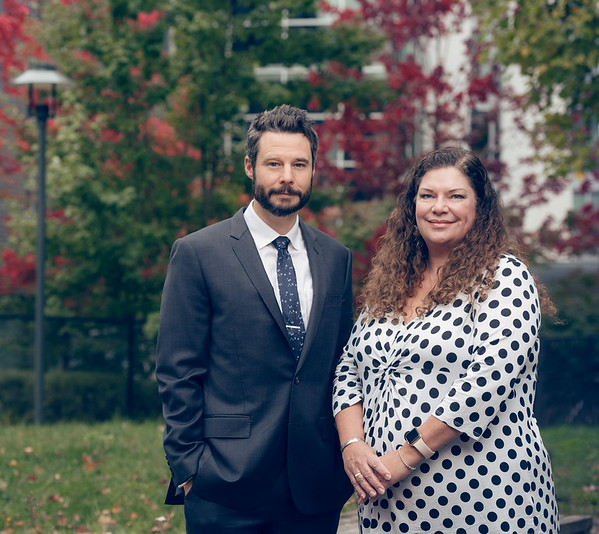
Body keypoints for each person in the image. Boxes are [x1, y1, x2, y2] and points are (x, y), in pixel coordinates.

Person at [333, 146, 560, 533]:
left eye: (456, 196)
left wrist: (404, 457)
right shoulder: (391, 283)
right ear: (412, 205)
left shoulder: (503, 278)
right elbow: (347, 371)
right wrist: (352, 446)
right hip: (388, 506)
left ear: (480, 207)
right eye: (428, 195)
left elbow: (485, 383)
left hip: (484, 498)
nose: (440, 207)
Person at [156, 104, 354, 532]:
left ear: (313, 170)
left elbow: (344, 367)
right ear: (250, 166)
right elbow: (177, 371)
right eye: (274, 163)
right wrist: (190, 468)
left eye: (300, 164)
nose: (287, 176)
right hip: (225, 487)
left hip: (314, 490)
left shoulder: (336, 259)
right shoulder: (198, 254)